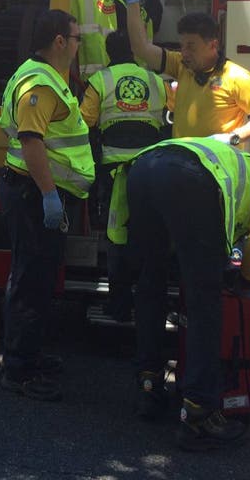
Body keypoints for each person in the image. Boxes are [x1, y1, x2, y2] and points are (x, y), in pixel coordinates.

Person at [125, 136, 250, 450]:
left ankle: (149, 385)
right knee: (204, 301)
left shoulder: (223, 157)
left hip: (141, 166)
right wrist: (245, 279)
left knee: (151, 282)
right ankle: (198, 414)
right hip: (189, 178)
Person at [0, 9, 95, 401]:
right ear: (59, 41)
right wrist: (51, 195)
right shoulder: (40, 82)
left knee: (38, 281)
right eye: (76, 38)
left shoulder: (46, 76)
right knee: (29, 282)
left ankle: (30, 357)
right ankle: (18, 370)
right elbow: (31, 141)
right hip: (32, 195)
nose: (77, 45)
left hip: (33, 193)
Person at [121, 0, 250, 143]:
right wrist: (133, 4)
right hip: (184, 159)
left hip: (217, 162)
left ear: (213, 45)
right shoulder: (181, 65)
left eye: (191, 46)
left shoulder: (236, 77)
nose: (185, 52)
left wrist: (231, 138)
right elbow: (141, 48)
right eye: (182, 46)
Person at [80, 30, 168, 320]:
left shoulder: (100, 81)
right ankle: (150, 303)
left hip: (115, 173)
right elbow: (175, 116)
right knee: (151, 234)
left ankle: (119, 305)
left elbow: (85, 122)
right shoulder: (156, 80)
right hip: (153, 172)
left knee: (117, 237)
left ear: (107, 52)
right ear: (135, 50)